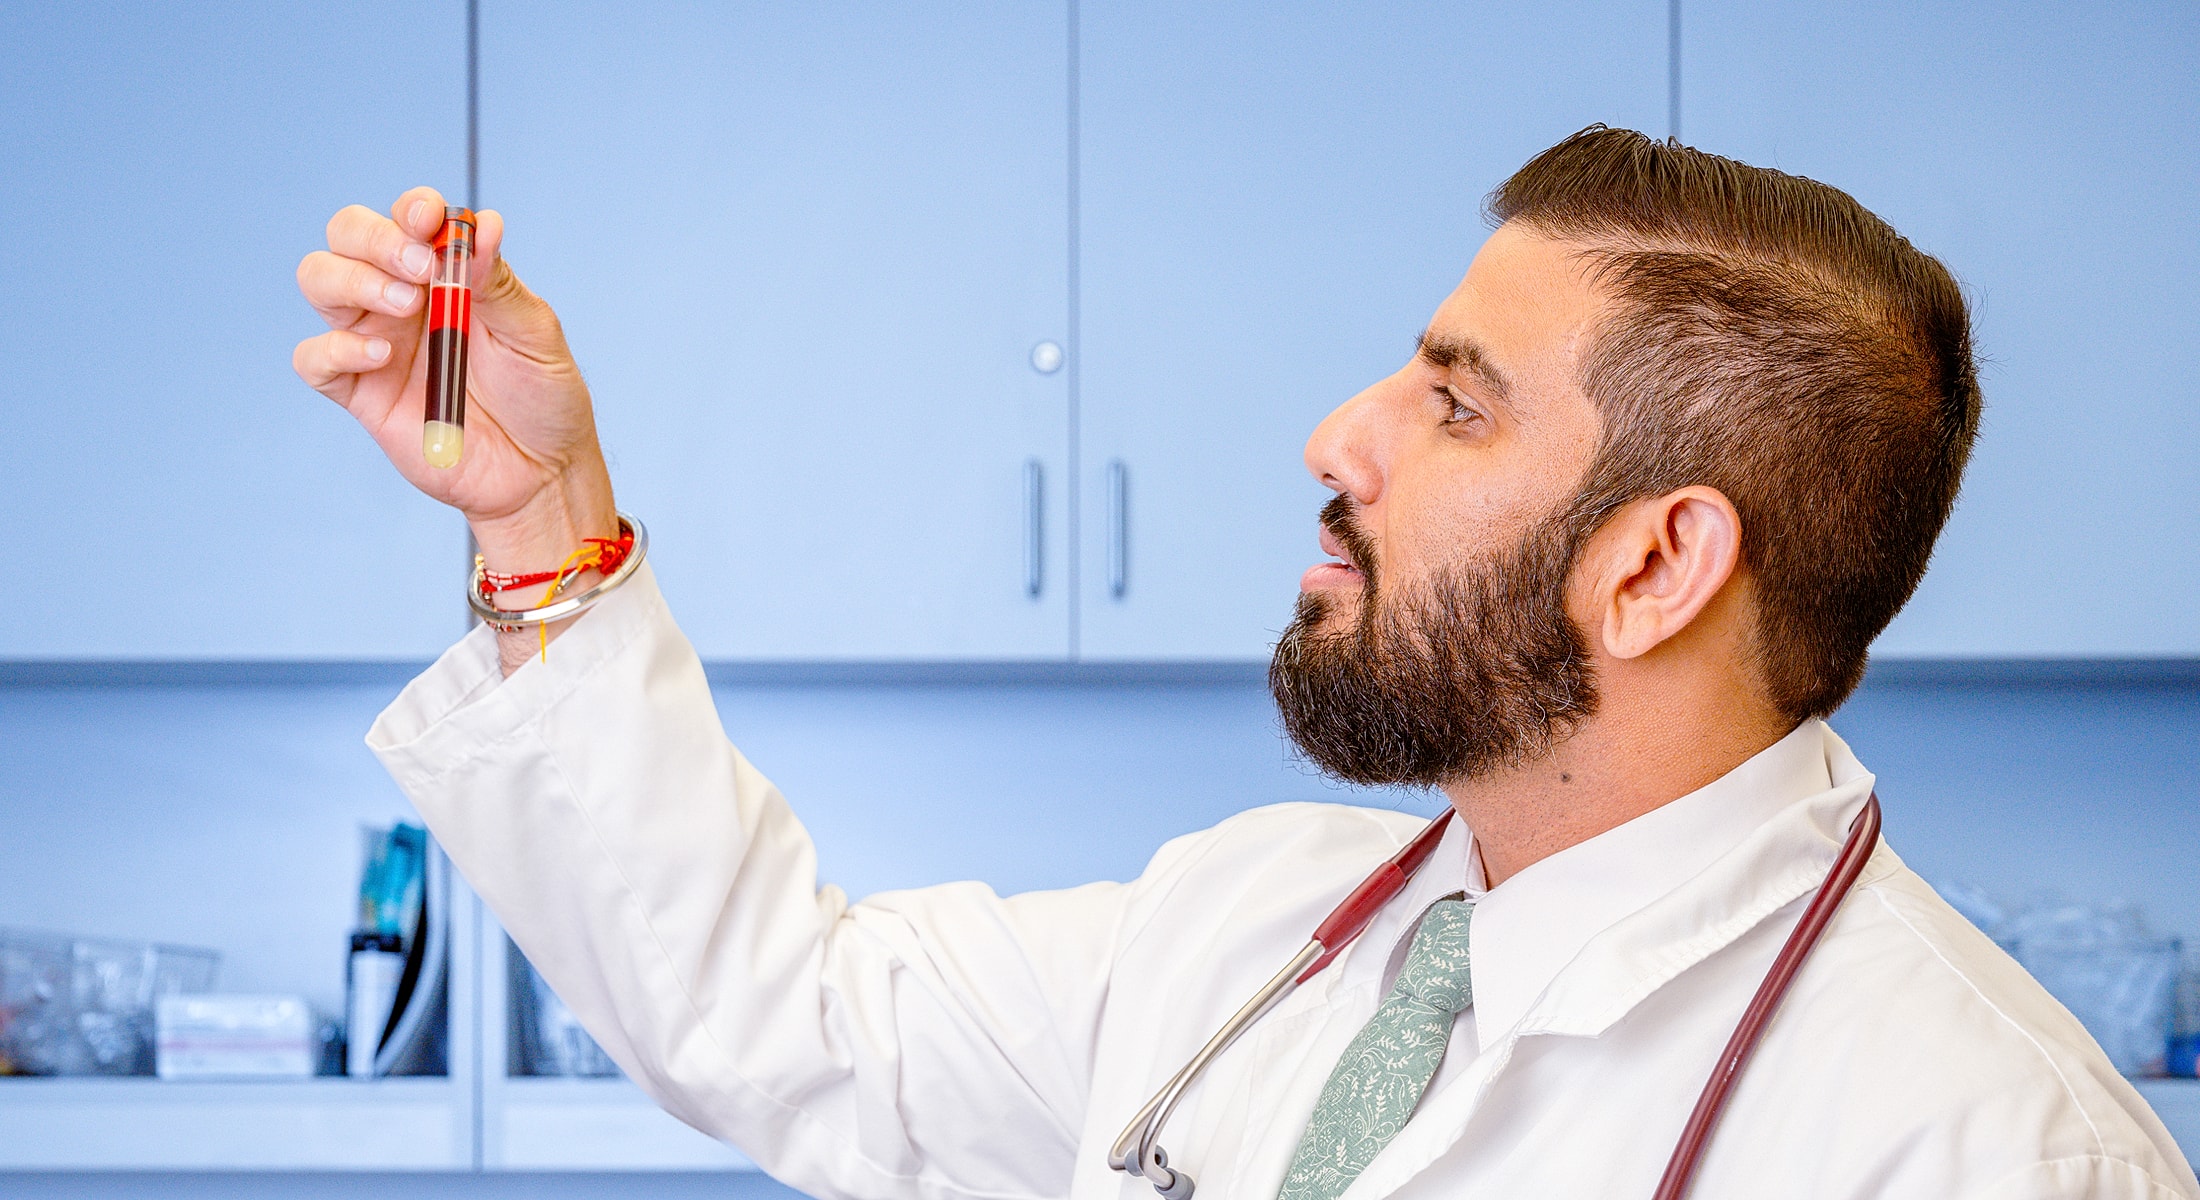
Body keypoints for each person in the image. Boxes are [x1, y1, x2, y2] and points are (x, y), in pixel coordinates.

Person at [297, 127, 2197, 1199]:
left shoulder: (1984, 1144)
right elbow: (782, 1017)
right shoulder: (1256, 933)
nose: (1337, 434)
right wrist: (543, 521)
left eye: (1454, 405)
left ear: (1655, 565)